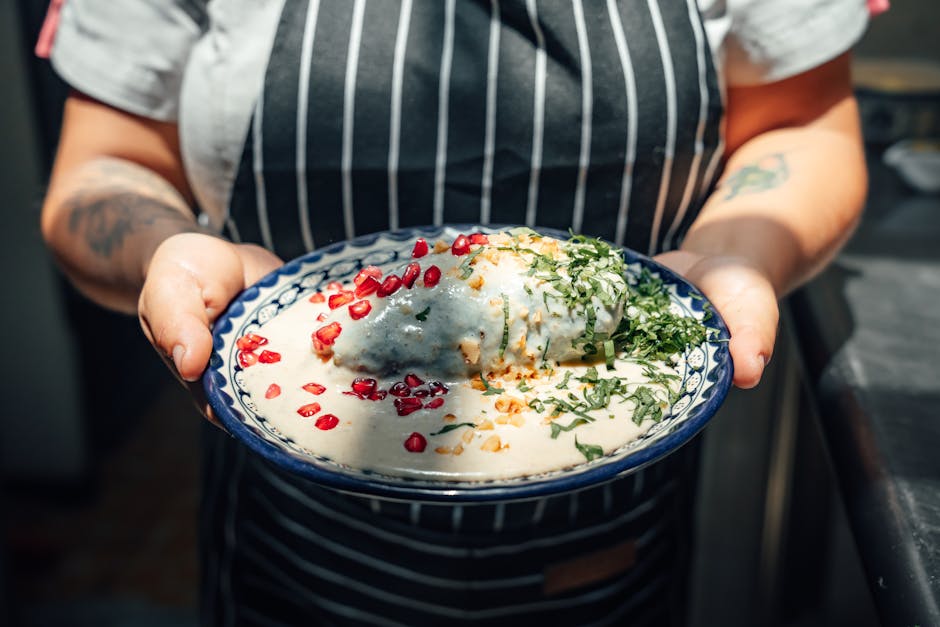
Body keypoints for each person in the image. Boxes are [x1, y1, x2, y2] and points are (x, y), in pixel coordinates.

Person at [39, 0, 869, 624]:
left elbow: (804, 123)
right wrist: (166, 252)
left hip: (610, 541)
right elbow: (107, 161)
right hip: (290, 543)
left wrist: (733, 252)